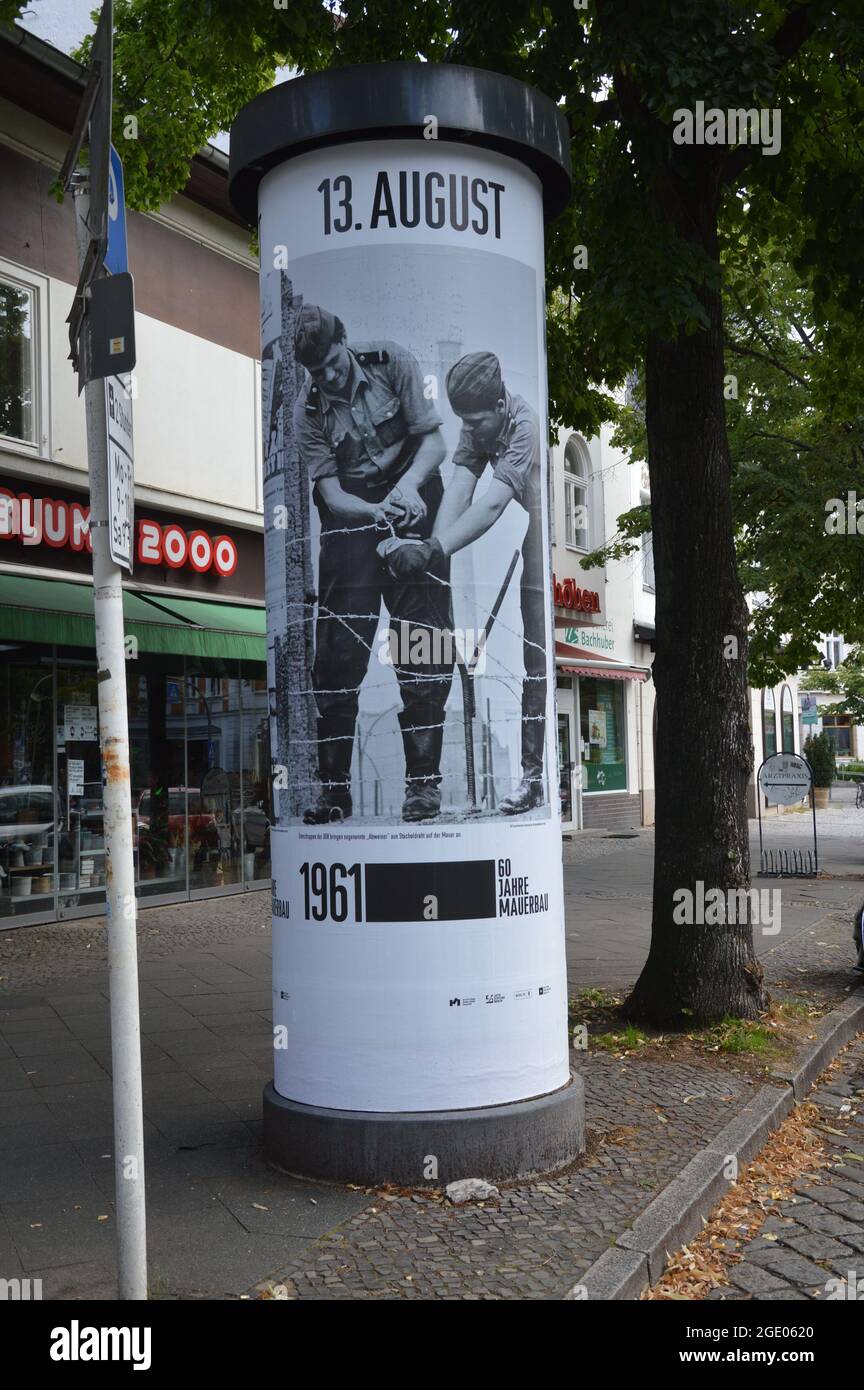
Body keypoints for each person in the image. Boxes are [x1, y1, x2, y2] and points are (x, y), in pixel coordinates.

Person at [293, 304, 453, 824]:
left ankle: (423, 787)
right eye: (318, 373)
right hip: (351, 515)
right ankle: (334, 792)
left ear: (346, 341)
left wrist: (406, 491)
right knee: (337, 653)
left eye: (334, 364)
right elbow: (331, 493)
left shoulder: (393, 362)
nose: (330, 377)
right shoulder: (307, 412)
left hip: (413, 491)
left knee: (421, 641)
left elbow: (434, 441)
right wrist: (372, 511)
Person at [382, 351, 547, 815]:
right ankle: (529, 779)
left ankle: (534, 778)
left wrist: (433, 549)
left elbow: (491, 506)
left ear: (499, 406)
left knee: (536, 649)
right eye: (464, 423)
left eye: (476, 421)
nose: (469, 431)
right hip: (527, 522)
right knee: (526, 651)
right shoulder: (479, 426)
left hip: (545, 532)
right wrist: (428, 556)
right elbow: (459, 489)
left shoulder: (524, 426)